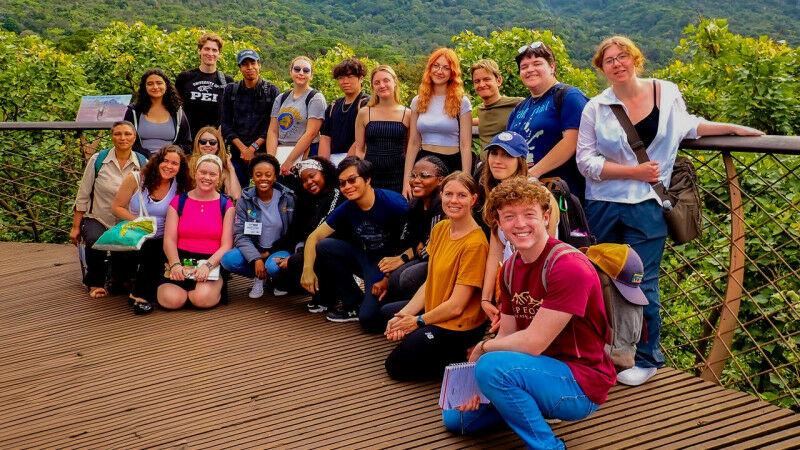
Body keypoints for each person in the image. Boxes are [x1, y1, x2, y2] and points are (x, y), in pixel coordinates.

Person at [576, 35, 763, 386]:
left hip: (647, 203)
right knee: (601, 277)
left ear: (635, 59)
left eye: (622, 57)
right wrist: (631, 171)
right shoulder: (596, 107)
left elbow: (688, 126)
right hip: (602, 203)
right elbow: (585, 160)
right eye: (608, 60)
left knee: (642, 279)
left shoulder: (666, 91)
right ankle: (607, 351)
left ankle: (646, 358)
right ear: (601, 68)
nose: (617, 64)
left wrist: (733, 129)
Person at [443, 177, 616, 449]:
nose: (519, 224)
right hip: (534, 373)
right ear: (499, 224)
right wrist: (477, 387)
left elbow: (533, 343)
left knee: (491, 367)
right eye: (509, 216)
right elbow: (509, 334)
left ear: (546, 217)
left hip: (579, 383)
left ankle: (548, 446)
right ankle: (522, 404)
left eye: (529, 214)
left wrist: (483, 348)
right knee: (456, 417)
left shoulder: (567, 266)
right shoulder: (510, 268)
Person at [382, 171, 488, 381]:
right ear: (441, 195)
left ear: (474, 199)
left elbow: (457, 305)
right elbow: (429, 281)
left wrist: (418, 321)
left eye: (462, 195)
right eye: (448, 194)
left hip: (458, 324)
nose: (454, 201)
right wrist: (403, 316)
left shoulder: (475, 244)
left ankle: (466, 361)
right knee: (385, 315)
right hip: (435, 310)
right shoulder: (440, 228)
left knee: (395, 366)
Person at [300, 156, 408, 330]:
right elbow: (314, 237)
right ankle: (353, 302)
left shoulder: (394, 204)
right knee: (325, 246)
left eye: (352, 180)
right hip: (368, 258)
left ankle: (389, 300)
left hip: (393, 263)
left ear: (367, 179)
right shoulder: (348, 207)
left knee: (369, 321)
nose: (347, 187)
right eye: (342, 183)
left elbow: (413, 242)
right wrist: (307, 270)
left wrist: (388, 277)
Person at [477, 131, 560, 331]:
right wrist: (486, 299)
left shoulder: (539, 195)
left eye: (507, 155)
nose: (498, 160)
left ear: (521, 161)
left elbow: (547, 249)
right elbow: (495, 250)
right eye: (494, 153)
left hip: (537, 291)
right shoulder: (497, 193)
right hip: (510, 289)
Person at [70, 121, 146, 298]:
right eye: (118, 134)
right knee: (96, 239)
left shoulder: (142, 163)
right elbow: (83, 195)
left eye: (127, 134)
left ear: (134, 138)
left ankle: (120, 277)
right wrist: (75, 227)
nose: (122, 138)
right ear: (112, 137)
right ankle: (95, 282)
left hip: (127, 219)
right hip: (99, 217)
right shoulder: (98, 160)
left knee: (131, 244)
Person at [111, 144, 191, 314]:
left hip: (165, 236)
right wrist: (140, 222)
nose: (169, 166)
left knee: (158, 249)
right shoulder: (136, 179)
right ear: (157, 161)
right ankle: (140, 294)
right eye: (165, 161)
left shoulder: (181, 185)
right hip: (137, 234)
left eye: (174, 164)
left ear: (180, 168)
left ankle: (138, 294)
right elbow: (117, 207)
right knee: (150, 250)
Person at [506, 41, 588, 203]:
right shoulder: (520, 108)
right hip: (525, 193)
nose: (530, 70)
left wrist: (532, 174)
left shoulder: (569, 96)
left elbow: (572, 141)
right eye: (524, 67)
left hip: (561, 193)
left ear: (552, 67)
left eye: (537, 63)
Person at [158, 154, 235, 310]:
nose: (207, 177)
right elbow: (169, 239)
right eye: (203, 172)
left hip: (211, 261)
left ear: (219, 178)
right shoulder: (179, 201)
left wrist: (208, 266)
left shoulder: (226, 205)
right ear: (195, 173)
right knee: (170, 300)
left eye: (212, 174)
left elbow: (227, 245)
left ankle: (210, 288)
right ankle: (183, 290)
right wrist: (174, 264)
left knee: (201, 299)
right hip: (182, 259)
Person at [270, 157, 346, 312]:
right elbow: (295, 231)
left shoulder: (336, 194)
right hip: (306, 247)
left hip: (333, 247)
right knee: (277, 274)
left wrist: (293, 259)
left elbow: (320, 233)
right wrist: (270, 251)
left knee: (298, 261)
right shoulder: (306, 198)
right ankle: (311, 288)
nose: (309, 182)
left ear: (324, 173)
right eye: (304, 180)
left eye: (312, 176)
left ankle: (329, 296)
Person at [372, 155, 447, 304]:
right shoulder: (415, 204)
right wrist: (386, 277)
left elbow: (431, 250)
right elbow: (405, 241)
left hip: (439, 264)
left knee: (406, 277)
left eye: (424, 176)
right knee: (387, 288)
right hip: (420, 258)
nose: (416, 180)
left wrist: (408, 255)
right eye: (413, 175)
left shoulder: (442, 206)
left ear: (440, 180)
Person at [220, 154, 296, 299]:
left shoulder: (288, 198)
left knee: (273, 268)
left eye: (268, 175)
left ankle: (276, 279)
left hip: (279, 249)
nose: (263, 179)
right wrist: (256, 258)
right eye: (258, 175)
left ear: (275, 177)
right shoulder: (245, 201)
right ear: (252, 178)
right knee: (228, 260)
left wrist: (269, 253)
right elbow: (240, 235)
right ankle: (260, 277)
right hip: (255, 248)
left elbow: (293, 232)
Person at [403, 48, 472, 198]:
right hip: (423, 163)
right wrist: (407, 179)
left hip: (451, 163)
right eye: (436, 66)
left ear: (452, 73)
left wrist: (465, 179)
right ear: (430, 68)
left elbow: (465, 144)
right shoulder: (418, 100)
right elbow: (414, 142)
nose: (440, 71)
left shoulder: (462, 102)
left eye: (446, 68)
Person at [220, 49, 280, 188]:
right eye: (245, 64)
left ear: (259, 65)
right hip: (237, 154)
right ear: (240, 68)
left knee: (266, 192)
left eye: (253, 63)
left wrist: (252, 148)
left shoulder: (271, 91)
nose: (250, 67)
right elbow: (226, 124)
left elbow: (272, 126)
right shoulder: (231, 90)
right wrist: (243, 150)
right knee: (236, 194)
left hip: (263, 153)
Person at [352, 65, 410, 193]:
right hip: (371, 177)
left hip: (398, 177)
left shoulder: (408, 114)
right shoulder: (364, 113)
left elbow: (409, 149)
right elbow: (359, 149)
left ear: (395, 82)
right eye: (377, 83)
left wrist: (407, 180)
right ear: (373, 87)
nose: (382, 85)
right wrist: (361, 175)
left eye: (386, 80)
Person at [267, 56, 327, 174]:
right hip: (280, 151)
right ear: (291, 71)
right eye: (297, 69)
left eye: (306, 71)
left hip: (305, 154)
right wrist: (270, 160)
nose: (301, 73)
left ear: (311, 75)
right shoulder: (281, 98)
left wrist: (289, 161)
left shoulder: (315, 98)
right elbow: (273, 131)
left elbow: (311, 133)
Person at [124, 69, 193, 157]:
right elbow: (125, 140)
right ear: (144, 87)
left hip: (169, 163)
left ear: (166, 85)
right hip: (140, 161)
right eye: (150, 84)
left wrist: (169, 155)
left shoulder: (177, 112)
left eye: (159, 83)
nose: (155, 87)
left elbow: (187, 144)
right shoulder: (134, 111)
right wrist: (145, 156)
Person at [175, 33, 234, 134]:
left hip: (214, 141)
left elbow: (231, 112)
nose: (210, 53)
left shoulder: (227, 81)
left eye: (214, 50)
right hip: (187, 139)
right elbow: (174, 106)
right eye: (207, 49)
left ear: (219, 54)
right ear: (199, 51)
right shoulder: (184, 78)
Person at [319, 58, 369, 166]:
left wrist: (345, 166)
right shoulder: (334, 105)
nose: (345, 81)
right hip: (332, 160)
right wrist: (324, 166)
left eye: (350, 77)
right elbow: (325, 137)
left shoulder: (366, 103)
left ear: (361, 78)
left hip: (356, 161)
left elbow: (362, 140)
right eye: (341, 78)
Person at [469, 59, 524, 149]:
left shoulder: (518, 104)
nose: (482, 84)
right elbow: (487, 120)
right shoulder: (481, 109)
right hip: (484, 162)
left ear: (498, 81)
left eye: (486, 79)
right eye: (477, 81)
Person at [189, 126, 242, 200]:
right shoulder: (188, 165)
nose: (207, 145)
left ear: (218, 146)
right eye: (203, 142)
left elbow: (235, 196)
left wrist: (231, 168)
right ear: (197, 144)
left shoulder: (223, 171)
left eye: (212, 142)